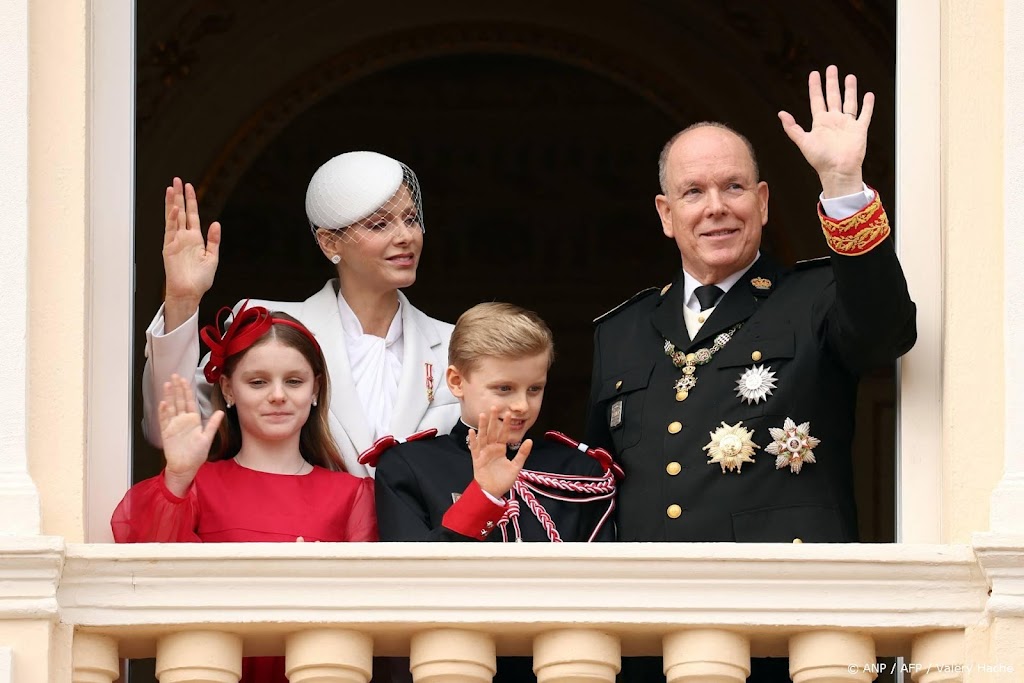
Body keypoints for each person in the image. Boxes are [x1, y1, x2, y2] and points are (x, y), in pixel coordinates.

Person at [585, 66, 917, 680]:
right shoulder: (621, 333)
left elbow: (884, 332)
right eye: (694, 192)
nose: (716, 208)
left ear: (762, 202)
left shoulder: (815, 298)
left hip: (786, 635)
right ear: (665, 213)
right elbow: (598, 492)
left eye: (734, 187)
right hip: (650, 643)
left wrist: (843, 183)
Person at [142, 151, 461, 476]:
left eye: (410, 219)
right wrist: (182, 299)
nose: (405, 236)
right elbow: (165, 430)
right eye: (379, 224)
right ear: (329, 243)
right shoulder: (265, 323)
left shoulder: (455, 343)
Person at [113, 304, 377, 682]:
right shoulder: (196, 485)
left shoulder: (353, 493)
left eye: (294, 381)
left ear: (315, 389)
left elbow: (372, 609)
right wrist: (178, 476)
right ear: (228, 390)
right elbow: (148, 575)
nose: (277, 395)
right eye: (257, 382)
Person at [367, 302, 620, 544]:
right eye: (504, 388)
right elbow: (412, 575)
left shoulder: (580, 472)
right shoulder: (408, 467)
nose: (522, 404)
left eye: (534, 389)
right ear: (456, 382)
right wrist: (483, 496)